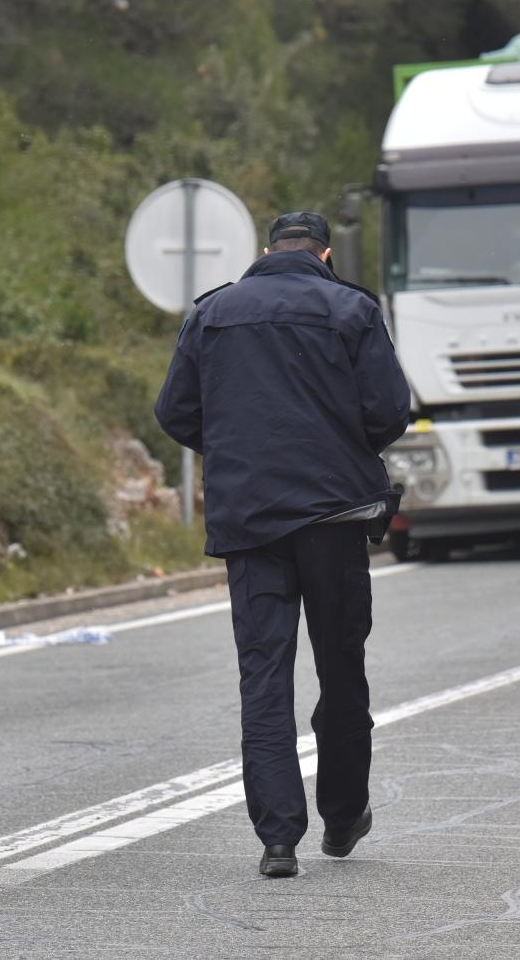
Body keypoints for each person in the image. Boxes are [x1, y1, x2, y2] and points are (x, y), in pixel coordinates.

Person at [155, 211, 410, 878]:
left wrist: (239, 447)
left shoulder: (213, 314)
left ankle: (277, 838)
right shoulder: (350, 309)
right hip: (334, 517)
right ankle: (343, 814)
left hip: (251, 520)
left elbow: (174, 411)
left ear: (266, 250)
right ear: (324, 254)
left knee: (263, 676)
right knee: (340, 668)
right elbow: (389, 412)